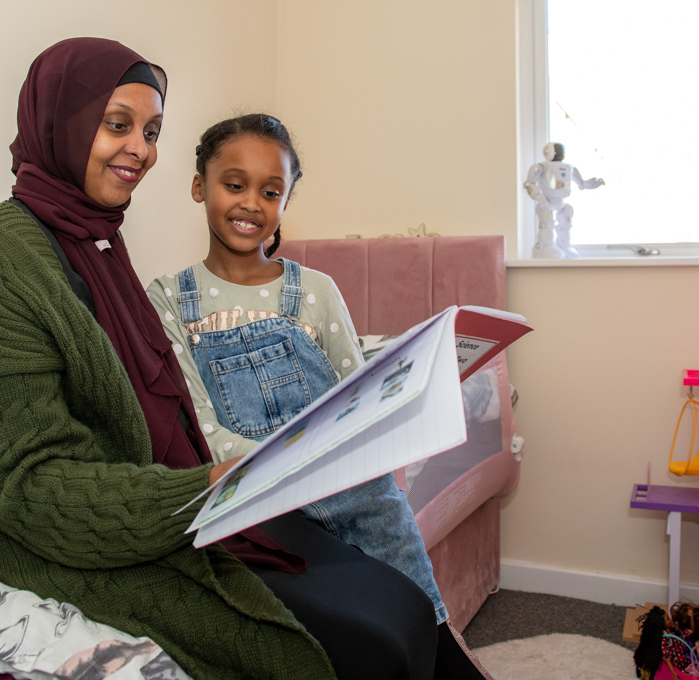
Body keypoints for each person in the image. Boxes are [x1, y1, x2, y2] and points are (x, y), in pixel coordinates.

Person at [0, 38, 464, 680]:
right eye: (117, 125)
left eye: (151, 131)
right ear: (57, 122)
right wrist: (208, 484)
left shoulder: (97, 247)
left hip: (180, 492)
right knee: (359, 637)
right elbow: (27, 488)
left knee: (397, 607)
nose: (140, 149)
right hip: (74, 521)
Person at [147, 113, 492, 679]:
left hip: (343, 480)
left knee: (408, 582)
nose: (251, 203)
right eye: (234, 184)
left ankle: (441, 648)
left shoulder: (315, 291)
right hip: (253, 487)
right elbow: (198, 421)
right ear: (198, 185)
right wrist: (279, 469)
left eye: (271, 191)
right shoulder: (167, 298)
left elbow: (359, 395)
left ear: (287, 200)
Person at [522, 142, 604, 258]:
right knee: (548, 221)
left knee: (566, 216)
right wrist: (538, 196)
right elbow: (529, 183)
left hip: (561, 202)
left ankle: (564, 245)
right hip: (546, 202)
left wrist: (591, 184)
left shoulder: (568, 168)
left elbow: (582, 183)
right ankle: (547, 246)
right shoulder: (541, 167)